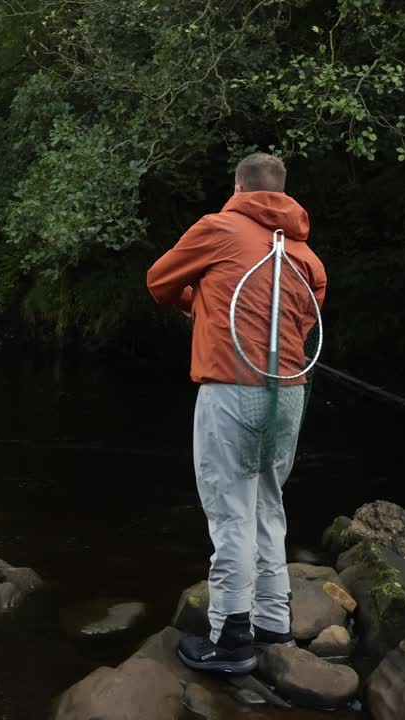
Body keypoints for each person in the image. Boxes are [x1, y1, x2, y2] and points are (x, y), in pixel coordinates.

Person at [146, 152, 327, 673]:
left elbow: (160, 282)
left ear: (237, 186)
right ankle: (274, 625)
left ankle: (230, 641)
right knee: (268, 504)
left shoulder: (217, 229)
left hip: (230, 389)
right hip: (290, 393)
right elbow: (303, 323)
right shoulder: (307, 256)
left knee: (230, 512)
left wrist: (201, 301)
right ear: (284, 193)